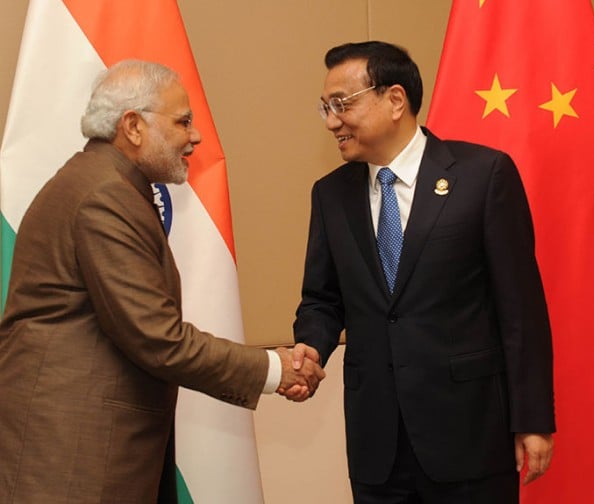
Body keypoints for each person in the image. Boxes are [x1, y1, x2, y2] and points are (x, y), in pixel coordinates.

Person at [0, 60, 325, 503]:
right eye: (183, 121)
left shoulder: (106, 183)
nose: (195, 136)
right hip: (77, 453)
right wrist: (276, 368)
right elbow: (156, 337)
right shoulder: (104, 195)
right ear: (133, 126)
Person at [288, 41, 555, 503]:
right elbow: (322, 299)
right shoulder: (331, 195)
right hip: (377, 445)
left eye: (342, 104)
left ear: (395, 100)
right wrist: (310, 345)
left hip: (470, 437)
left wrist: (532, 419)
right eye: (325, 107)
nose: (332, 121)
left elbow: (521, 310)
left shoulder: (483, 176)